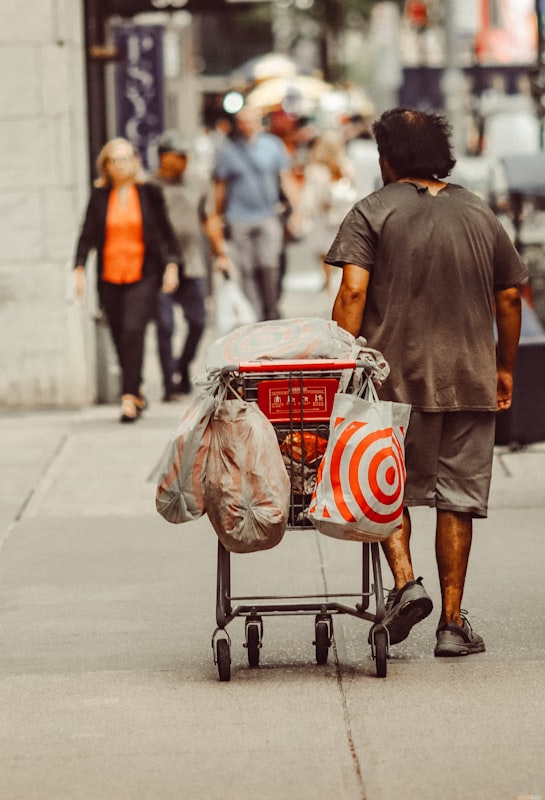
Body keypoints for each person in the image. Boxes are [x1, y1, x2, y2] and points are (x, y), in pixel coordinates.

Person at [327, 108, 526, 657]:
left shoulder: (371, 212)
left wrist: (340, 367)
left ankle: (405, 583)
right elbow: (509, 296)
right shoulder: (478, 211)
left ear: (387, 157)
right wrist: (503, 366)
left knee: (385, 484)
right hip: (469, 375)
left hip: (392, 381)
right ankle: (454, 622)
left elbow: (351, 295)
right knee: (457, 497)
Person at [73, 138, 182, 423]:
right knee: (120, 336)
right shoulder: (99, 197)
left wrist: (172, 265)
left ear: (135, 161)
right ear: (106, 166)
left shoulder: (149, 193)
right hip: (110, 276)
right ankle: (136, 388)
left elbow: (165, 233)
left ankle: (128, 398)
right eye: (114, 160)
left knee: (134, 330)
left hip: (142, 274)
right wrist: (79, 269)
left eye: (125, 159)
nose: (121, 165)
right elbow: (87, 235)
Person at [149, 132, 232, 401]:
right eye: (180, 156)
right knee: (165, 325)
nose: (186, 161)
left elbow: (209, 219)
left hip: (192, 261)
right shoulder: (149, 186)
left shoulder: (197, 182)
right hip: (159, 266)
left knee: (197, 321)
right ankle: (168, 383)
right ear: (164, 158)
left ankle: (182, 366)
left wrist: (221, 253)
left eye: (187, 156)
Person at [212, 106, 303, 321]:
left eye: (251, 121)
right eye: (243, 121)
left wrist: (297, 208)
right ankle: (257, 312)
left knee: (270, 264)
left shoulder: (272, 145)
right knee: (248, 268)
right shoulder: (228, 150)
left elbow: (286, 178)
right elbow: (220, 186)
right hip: (239, 216)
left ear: (259, 122)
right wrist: (215, 216)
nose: (247, 125)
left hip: (268, 215)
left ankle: (272, 307)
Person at [302, 130, 358, 291]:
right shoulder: (346, 165)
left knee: (324, 249)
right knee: (342, 247)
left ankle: (328, 279)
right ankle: (337, 278)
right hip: (343, 213)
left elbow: (311, 196)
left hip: (325, 215)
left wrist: (307, 212)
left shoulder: (316, 169)